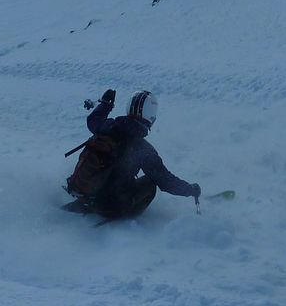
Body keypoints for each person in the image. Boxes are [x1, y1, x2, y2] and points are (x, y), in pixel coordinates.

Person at [65, 88, 200, 219]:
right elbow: (165, 181)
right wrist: (189, 189)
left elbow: (93, 120)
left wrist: (105, 104)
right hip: (108, 206)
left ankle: (90, 200)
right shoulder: (142, 148)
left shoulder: (110, 126)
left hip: (87, 195)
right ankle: (124, 217)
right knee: (149, 183)